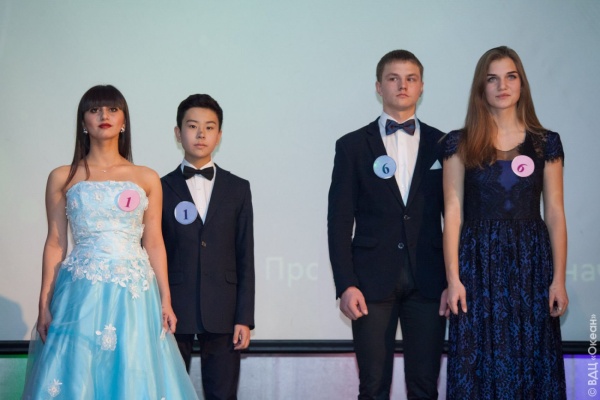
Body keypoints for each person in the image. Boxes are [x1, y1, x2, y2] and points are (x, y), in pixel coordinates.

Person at [21, 85, 198, 399]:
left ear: (124, 120)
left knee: (131, 372)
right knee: (77, 374)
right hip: (80, 292)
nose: (104, 115)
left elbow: (154, 242)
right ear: (83, 122)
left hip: (134, 294)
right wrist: (44, 303)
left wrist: (165, 298)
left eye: (112, 109)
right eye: (94, 109)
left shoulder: (146, 177)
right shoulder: (63, 176)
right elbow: (56, 243)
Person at [443, 46, 568, 399]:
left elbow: (555, 212)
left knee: (532, 358)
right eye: (492, 78)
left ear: (521, 84)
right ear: (480, 88)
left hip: (531, 265)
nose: (502, 86)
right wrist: (453, 279)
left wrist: (558, 280)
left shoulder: (546, 143)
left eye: (511, 76)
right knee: (477, 362)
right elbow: (453, 212)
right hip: (476, 264)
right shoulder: (458, 143)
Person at [328, 50, 448, 400]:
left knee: (425, 387)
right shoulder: (351, 146)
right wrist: (345, 284)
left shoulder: (445, 145)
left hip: (430, 281)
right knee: (373, 386)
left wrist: (454, 280)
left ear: (421, 87)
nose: (402, 85)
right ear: (379, 87)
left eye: (411, 78)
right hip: (369, 282)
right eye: (393, 78)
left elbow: (456, 218)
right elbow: (339, 221)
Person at [161, 94, 255, 400]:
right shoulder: (160, 187)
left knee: (223, 394)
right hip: (174, 309)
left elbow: (245, 256)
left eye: (209, 127)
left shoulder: (238, 188)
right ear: (178, 133)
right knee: (169, 392)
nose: (201, 134)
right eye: (192, 126)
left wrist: (244, 317)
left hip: (224, 310)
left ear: (219, 135)